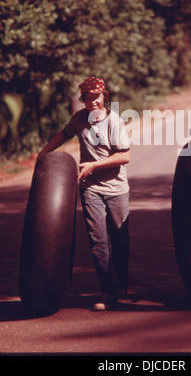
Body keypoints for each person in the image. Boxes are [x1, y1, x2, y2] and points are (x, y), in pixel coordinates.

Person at [37, 77, 130, 311]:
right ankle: (107, 290)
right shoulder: (79, 118)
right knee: (97, 241)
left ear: (104, 97)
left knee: (119, 238)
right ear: (83, 99)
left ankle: (122, 285)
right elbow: (64, 133)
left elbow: (124, 157)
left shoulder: (114, 121)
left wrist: (93, 165)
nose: (92, 102)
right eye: (87, 98)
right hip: (90, 188)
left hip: (117, 188)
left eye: (96, 97)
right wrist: (43, 153)